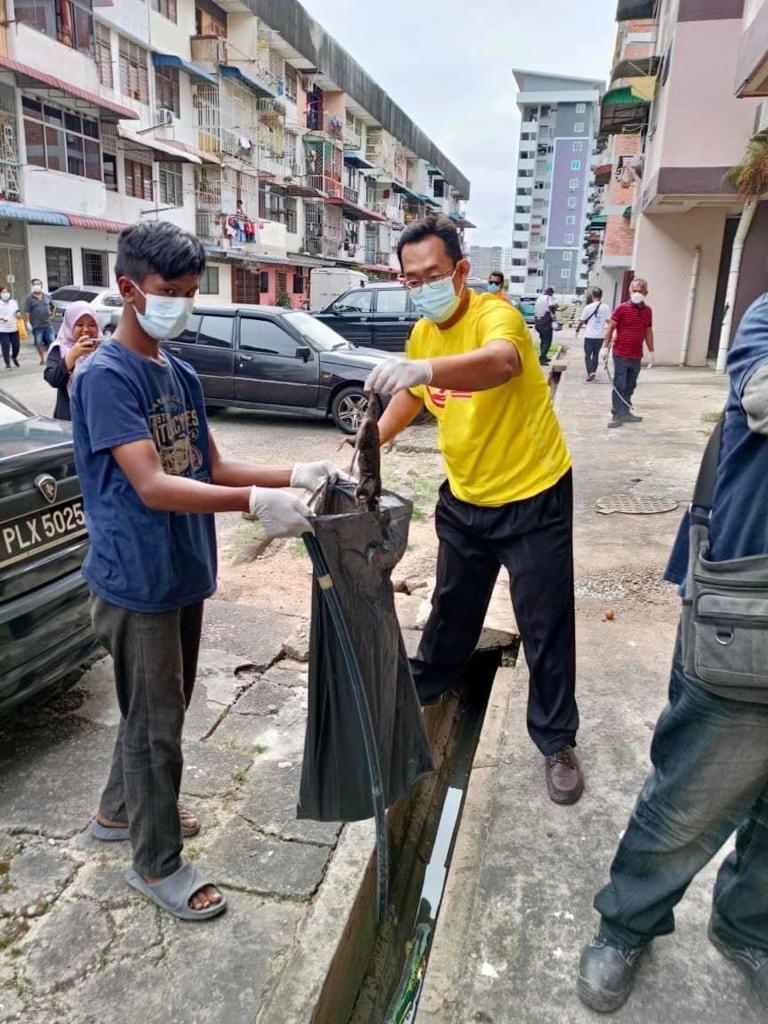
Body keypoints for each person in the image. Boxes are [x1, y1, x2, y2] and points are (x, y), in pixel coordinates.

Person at [71, 221, 343, 922]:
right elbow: (154, 484)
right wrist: (255, 504)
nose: (180, 305)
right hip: (136, 581)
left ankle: (116, 811)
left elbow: (211, 466)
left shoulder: (180, 372)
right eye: (169, 292)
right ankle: (156, 862)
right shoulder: (106, 377)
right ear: (129, 290)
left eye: (191, 293)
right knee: (156, 724)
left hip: (182, 567)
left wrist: (295, 472)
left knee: (158, 709)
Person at [577, 292, 768, 1015]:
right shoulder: (767, 318)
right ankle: (627, 923)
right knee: (688, 796)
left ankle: (748, 926)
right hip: (748, 611)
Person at [364, 214, 584, 805]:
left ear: (460, 271)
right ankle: (424, 691)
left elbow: (501, 363)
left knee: (544, 622)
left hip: (532, 495)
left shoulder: (497, 316)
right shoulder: (423, 335)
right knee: (452, 608)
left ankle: (557, 740)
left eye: (432, 274)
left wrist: (427, 369)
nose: (422, 287)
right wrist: (367, 444)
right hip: (465, 499)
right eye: (411, 279)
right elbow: (410, 397)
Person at [601, 278, 654, 428]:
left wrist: (651, 351)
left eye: (640, 291)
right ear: (630, 291)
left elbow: (648, 331)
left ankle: (625, 411)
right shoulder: (622, 309)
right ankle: (617, 414)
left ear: (646, 292)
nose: (637, 294)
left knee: (631, 385)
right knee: (619, 383)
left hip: (636, 355)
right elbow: (610, 328)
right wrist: (605, 348)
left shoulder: (648, 311)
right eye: (634, 291)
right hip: (621, 354)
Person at [44, 301, 101, 420]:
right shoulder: (59, 348)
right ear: (70, 325)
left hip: (99, 415)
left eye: (92, 325)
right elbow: (53, 380)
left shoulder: (104, 348)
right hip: (70, 417)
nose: (86, 329)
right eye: (79, 324)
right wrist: (72, 356)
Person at [577, 287, 611, 382]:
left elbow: (582, 321)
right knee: (595, 355)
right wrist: (611, 332)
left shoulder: (588, 307)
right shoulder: (606, 307)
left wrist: (577, 329)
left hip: (589, 336)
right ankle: (593, 372)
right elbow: (609, 321)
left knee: (588, 355)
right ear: (601, 296)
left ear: (592, 296)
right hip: (600, 336)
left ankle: (590, 372)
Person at [534, 286, 557, 365]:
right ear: (550, 292)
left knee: (543, 340)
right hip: (545, 322)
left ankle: (544, 356)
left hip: (538, 321)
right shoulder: (548, 298)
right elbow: (551, 306)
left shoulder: (539, 298)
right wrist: (554, 312)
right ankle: (542, 358)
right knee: (547, 341)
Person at [0, 287, 20, 369]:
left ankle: (14, 357)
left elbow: (17, 311)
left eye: (7, 292)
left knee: (16, 346)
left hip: (13, 327)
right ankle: (7, 363)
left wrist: (18, 314)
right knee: (5, 346)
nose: (5, 294)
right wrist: (2, 318)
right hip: (3, 329)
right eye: (3, 292)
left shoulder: (13, 302)